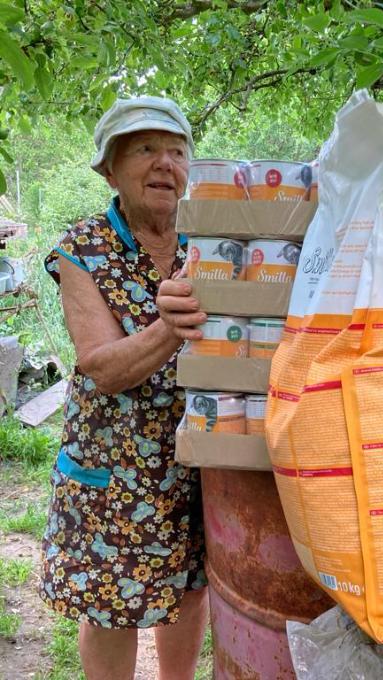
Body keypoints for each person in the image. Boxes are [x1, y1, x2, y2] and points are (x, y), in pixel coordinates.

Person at [40, 96, 210, 680]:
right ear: (110, 169)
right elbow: (103, 367)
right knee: (111, 603)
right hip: (114, 466)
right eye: (145, 149)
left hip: (197, 454)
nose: (166, 163)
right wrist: (170, 328)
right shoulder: (82, 249)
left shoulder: (212, 240)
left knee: (189, 585)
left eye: (177, 151)